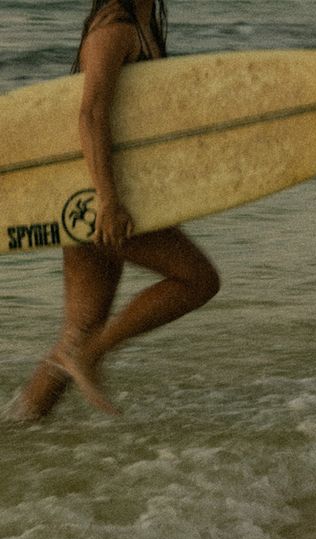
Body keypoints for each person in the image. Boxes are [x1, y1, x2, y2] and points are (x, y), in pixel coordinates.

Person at [15, 0, 220, 420]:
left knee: (77, 333)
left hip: (92, 193)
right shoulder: (114, 30)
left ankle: (17, 430)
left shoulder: (143, 27)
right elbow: (90, 115)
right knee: (198, 280)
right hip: (99, 197)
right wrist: (108, 200)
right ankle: (95, 354)